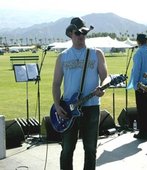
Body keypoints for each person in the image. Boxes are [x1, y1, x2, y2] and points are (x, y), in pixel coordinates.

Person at [52, 17, 108, 170]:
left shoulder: (96, 53)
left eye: (84, 32)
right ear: (70, 33)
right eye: (77, 33)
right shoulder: (62, 57)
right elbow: (56, 84)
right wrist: (57, 106)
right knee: (67, 150)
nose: (81, 36)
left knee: (90, 149)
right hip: (68, 109)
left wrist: (102, 88)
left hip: (91, 108)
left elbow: (106, 77)